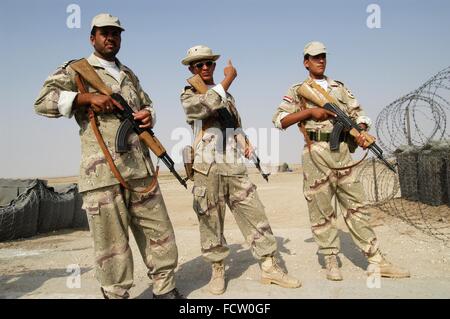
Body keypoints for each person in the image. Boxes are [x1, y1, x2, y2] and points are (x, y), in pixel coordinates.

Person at [34, 13, 182, 299]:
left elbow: (147, 103)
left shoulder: (129, 74)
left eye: (116, 33)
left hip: (140, 169)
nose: (111, 37)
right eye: (104, 33)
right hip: (101, 173)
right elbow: (42, 102)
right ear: (92, 37)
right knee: (111, 244)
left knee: (159, 233)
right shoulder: (76, 70)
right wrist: (86, 98)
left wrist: (148, 115)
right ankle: (115, 294)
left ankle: (165, 288)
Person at [272, 41, 410, 281]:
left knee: (356, 205)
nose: (320, 60)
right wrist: (309, 113)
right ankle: (330, 259)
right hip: (315, 153)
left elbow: (359, 112)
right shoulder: (298, 90)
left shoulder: (340, 88)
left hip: (343, 152)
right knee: (321, 209)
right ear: (306, 62)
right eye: (315, 57)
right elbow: (279, 120)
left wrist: (362, 129)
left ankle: (376, 259)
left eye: (323, 56)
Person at [180, 45, 301, 295]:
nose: (204, 68)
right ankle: (217, 269)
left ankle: (269, 267)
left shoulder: (227, 96)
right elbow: (204, 107)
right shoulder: (189, 94)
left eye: (209, 63)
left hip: (233, 166)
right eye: (198, 64)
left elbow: (234, 124)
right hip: (206, 168)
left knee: (254, 214)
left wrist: (244, 141)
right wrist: (229, 78)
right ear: (191, 69)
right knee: (211, 221)